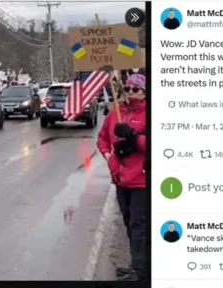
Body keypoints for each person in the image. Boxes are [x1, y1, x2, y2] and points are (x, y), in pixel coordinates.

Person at [96, 74, 146, 281]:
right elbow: (102, 140)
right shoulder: (115, 113)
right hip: (120, 179)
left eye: (136, 89)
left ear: (145, 92)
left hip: (142, 180)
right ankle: (136, 263)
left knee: (139, 224)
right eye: (127, 89)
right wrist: (110, 159)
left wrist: (134, 139)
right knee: (128, 222)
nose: (131, 93)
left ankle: (142, 271)